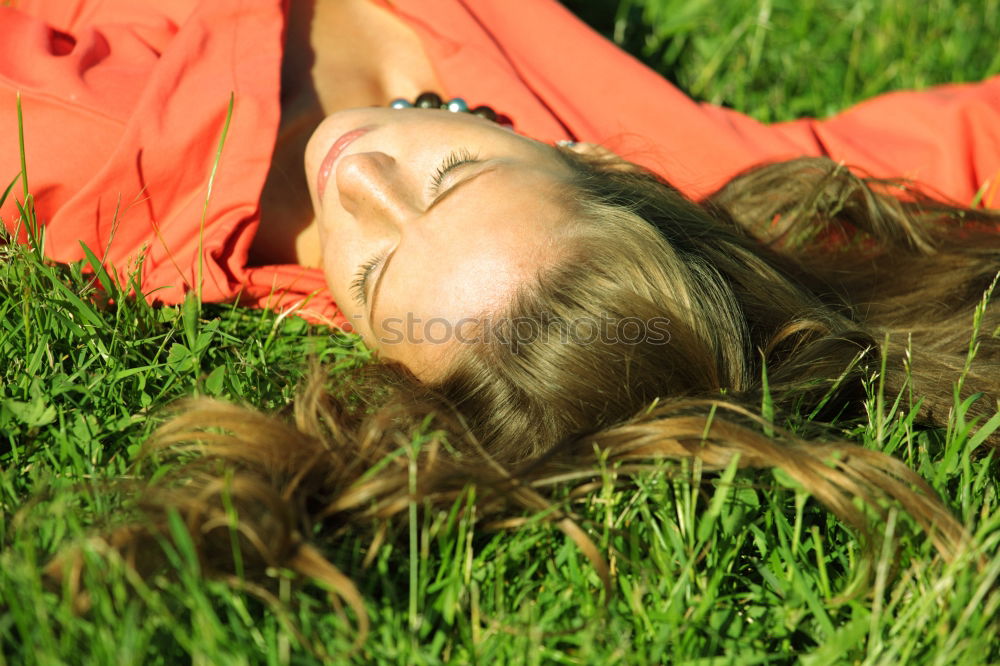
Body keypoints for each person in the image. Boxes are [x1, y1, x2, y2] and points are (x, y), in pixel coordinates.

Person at [5, 0, 998, 630]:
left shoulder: (83, 146)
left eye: (374, 271)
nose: (359, 178)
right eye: (453, 167)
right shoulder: (675, 162)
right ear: (596, 164)